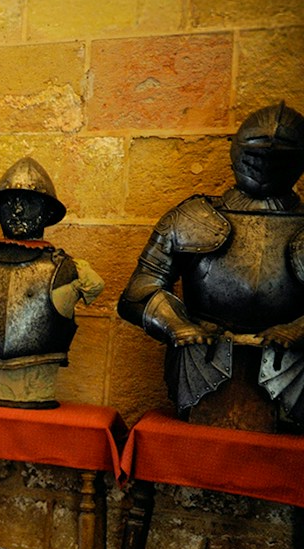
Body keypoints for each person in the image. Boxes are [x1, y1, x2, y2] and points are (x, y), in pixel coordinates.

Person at [118, 101, 304, 425]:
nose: (263, 165)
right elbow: (139, 291)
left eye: (276, 158)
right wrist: (176, 324)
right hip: (201, 364)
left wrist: (300, 329)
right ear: (236, 150)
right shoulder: (193, 216)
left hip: (290, 369)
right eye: (255, 155)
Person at [0, 157, 103, 407]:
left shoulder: (71, 271)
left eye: (28, 202)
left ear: (48, 211)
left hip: (36, 388)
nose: (17, 210)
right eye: (9, 203)